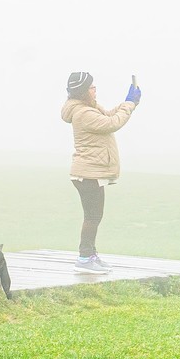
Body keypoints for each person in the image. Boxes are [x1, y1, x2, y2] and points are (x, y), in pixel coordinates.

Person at [60, 72, 141, 274]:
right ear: (82, 92)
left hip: (89, 173)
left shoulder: (88, 109)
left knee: (95, 216)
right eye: (91, 87)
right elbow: (113, 123)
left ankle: (91, 255)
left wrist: (128, 103)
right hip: (88, 174)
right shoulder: (83, 114)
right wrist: (130, 104)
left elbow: (110, 116)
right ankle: (84, 258)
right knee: (92, 217)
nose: (95, 90)